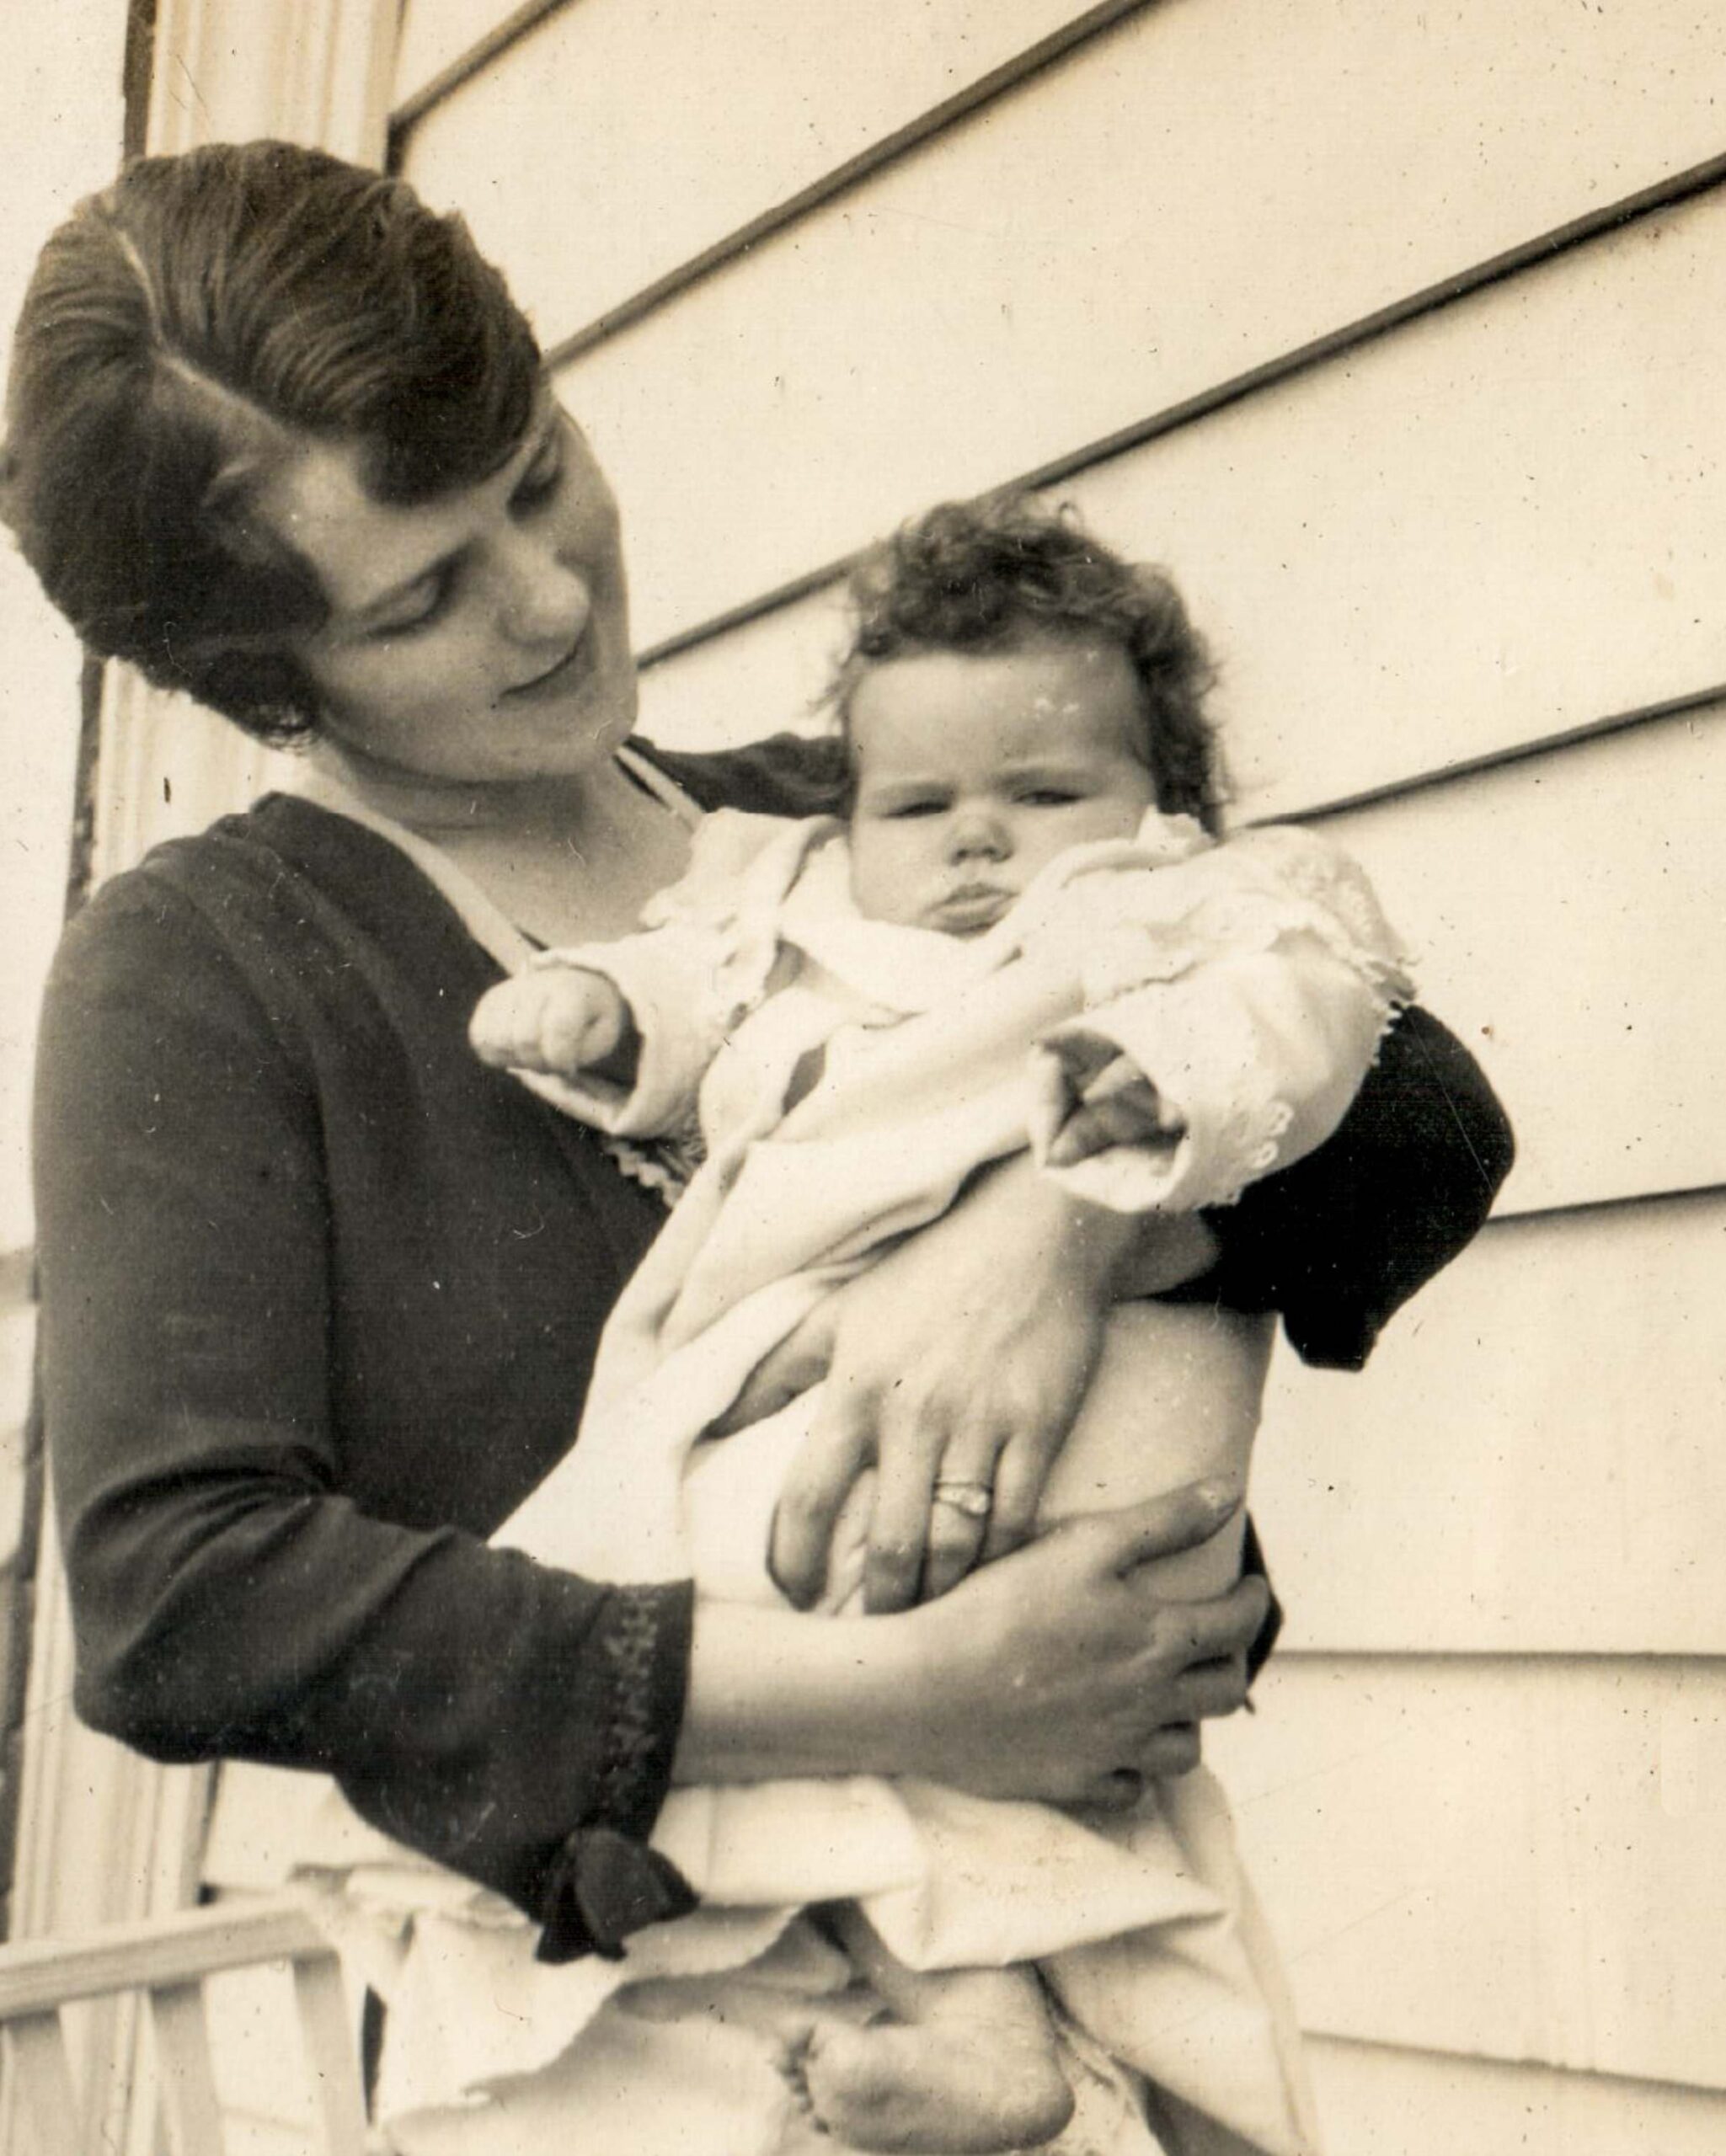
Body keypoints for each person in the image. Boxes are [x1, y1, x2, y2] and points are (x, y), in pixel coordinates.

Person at [3, 141, 1512, 2156]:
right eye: (424, 596)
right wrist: (909, 1688)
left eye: (535, 472)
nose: (546, 599)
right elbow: (180, 1592)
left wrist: (1050, 1249)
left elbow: (1412, 1101)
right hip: (620, 2040)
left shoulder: (857, 818)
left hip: (1036, 1962)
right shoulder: (202, 969)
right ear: (262, 677)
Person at [382, 495, 1408, 2156]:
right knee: (863, 1724)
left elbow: (1320, 998)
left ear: (1167, 801)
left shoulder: (1187, 908)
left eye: (1044, 791)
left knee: (947, 1711)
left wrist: (1143, 1110)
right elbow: (698, 989)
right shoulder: (801, 914)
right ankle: (980, 2021)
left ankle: (1023, 2028)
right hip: (822, 1406)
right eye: (918, 803)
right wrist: (605, 1009)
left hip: (1092, 1417)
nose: (975, 844)